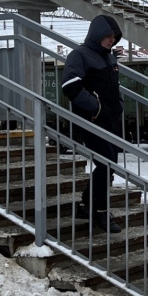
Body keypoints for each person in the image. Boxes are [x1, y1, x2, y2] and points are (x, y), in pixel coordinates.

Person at [61, 14, 125, 233]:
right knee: (106, 164)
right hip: (91, 121)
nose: (111, 40)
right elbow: (70, 86)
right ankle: (100, 212)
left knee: (107, 165)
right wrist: (95, 108)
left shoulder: (109, 58)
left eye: (114, 37)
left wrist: (118, 105)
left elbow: (114, 88)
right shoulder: (79, 55)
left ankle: (86, 205)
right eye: (107, 36)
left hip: (110, 122)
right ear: (96, 35)